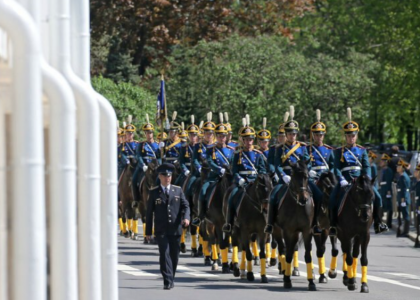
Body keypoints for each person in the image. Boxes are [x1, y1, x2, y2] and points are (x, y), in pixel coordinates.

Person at [329, 108, 388, 236]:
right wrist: (341, 179)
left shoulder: (362, 150)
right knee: (332, 199)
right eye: (349, 136)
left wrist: (366, 178)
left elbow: (366, 166)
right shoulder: (339, 151)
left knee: (377, 197)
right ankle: (333, 225)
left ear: (356, 136)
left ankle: (378, 223)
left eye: (353, 135)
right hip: (345, 180)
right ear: (345, 136)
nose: (351, 138)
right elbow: (336, 168)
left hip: (361, 181)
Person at [265, 106, 310, 234]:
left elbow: (308, 162)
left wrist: (308, 172)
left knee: (317, 194)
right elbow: (277, 165)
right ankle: (270, 224)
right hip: (286, 178)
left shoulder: (302, 147)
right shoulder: (280, 148)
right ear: (286, 134)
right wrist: (283, 176)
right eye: (290, 134)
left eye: (294, 133)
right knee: (273, 196)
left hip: (300, 179)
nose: (292, 136)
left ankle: (315, 223)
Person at [145, 163, 190, 290]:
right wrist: (148, 232)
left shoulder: (178, 190)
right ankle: (167, 280)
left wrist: (186, 218)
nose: (167, 178)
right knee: (164, 254)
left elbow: (185, 206)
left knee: (174, 256)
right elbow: (149, 214)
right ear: (159, 176)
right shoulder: (154, 192)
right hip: (161, 230)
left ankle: (171, 276)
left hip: (175, 229)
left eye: (169, 176)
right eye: (164, 176)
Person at [223, 116, 267, 232]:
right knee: (231, 195)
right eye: (246, 139)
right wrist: (239, 180)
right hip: (242, 182)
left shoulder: (258, 154)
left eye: (251, 139)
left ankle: (270, 222)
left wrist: (258, 179)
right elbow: (234, 170)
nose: (249, 142)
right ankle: (229, 222)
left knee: (267, 196)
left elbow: (262, 170)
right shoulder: (237, 154)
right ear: (243, 140)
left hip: (255, 181)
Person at [191, 117, 235, 226]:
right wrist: (219, 169)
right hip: (214, 177)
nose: (221, 138)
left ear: (226, 137)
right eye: (219, 136)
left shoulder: (231, 150)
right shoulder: (211, 149)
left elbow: (234, 164)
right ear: (217, 136)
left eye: (223, 136)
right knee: (203, 191)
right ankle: (201, 215)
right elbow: (210, 161)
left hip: (228, 177)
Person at [307, 109, 334, 235]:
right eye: (317, 134)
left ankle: (335, 222)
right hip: (312, 178)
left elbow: (333, 165)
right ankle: (315, 222)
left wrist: (330, 174)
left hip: (326, 178)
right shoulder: (307, 149)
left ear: (324, 135)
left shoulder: (329, 150)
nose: (319, 137)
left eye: (321, 134)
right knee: (317, 196)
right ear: (313, 135)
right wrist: (309, 172)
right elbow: (304, 165)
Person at [132, 115, 161, 201]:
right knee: (134, 180)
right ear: (145, 134)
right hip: (144, 167)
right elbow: (138, 156)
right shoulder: (141, 144)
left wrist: (162, 149)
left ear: (153, 133)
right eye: (147, 132)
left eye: (151, 132)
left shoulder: (157, 144)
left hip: (155, 167)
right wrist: (143, 165)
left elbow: (160, 157)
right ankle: (136, 200)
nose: (149, 134)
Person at [378, 153, 394, 228]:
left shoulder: (388, 171)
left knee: (388, 207)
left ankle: (389, 223)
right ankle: (380, 222)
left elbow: (388, 182)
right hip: (382, 191)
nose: (380, 162)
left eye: (382, 161)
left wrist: (388, 192)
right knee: (381, 207)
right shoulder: (382, 170)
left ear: (386, 162)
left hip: (386, 191)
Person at [396, 159, 411, 237]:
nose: (397, 167)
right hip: (401, 198)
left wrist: (403, 199)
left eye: (399, 166)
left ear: (402, 168)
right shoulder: (401, 176)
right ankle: (404, 231)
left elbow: (405, 189)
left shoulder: (404, 177)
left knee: (406, 215)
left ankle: (406, 232)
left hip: (403, 199)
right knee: (403, 215)